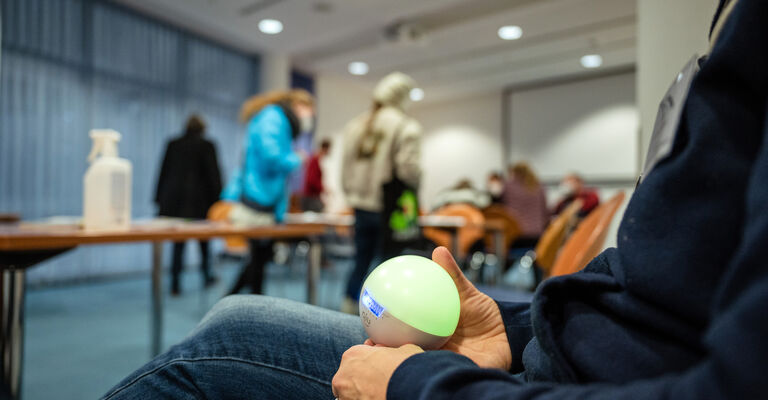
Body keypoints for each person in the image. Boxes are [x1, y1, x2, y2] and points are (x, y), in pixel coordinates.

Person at [104, 1, 768, 399]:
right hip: (541, 348)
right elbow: (652, 291)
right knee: (243, 312)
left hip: (560, 375)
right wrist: (514, 331)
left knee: (230, 331)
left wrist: (415, 386)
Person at [339, 72, 422, 313]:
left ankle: (348, 306)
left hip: (360, 204)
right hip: (389, 205)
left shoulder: (356, 124)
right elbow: (408, 169)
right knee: (388, 264)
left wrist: (351, 194)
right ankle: (382, 315)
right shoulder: (406, 125)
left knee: (360, 259)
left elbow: (345, 166)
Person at [221, 89, 315, 295]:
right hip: (257, 200)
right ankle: (240, 304)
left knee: (260, 258)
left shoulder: (278, 120)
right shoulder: (274, 117)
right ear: (297, 105)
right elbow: (271, 158)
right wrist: (297, 158)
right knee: (258, 258)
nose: (310, 117)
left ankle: (235, 301)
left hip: (264, 199)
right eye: (309, 110)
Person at [154, 114, 222, 296]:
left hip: (176, 203)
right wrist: (219, 201)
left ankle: (175, 284)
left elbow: (163, 171)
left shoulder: (173, 144)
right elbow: (214, 175)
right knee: (204, 243)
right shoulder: (207, 145)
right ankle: (206, 276)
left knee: (178, 244)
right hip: (200, 203)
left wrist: (159, 199)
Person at [502, 162, 548, 247]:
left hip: (516, 232)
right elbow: (545, 210)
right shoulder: (539, 185)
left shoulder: (508, 186)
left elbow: (502, 207)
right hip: (536, 232)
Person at [302, 138, 331, 212]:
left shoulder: (317, 159)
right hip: (311, 197)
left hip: (312, 196)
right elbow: (311, 180)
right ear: (326, 149)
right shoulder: (315, 160)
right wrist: (323, 189)